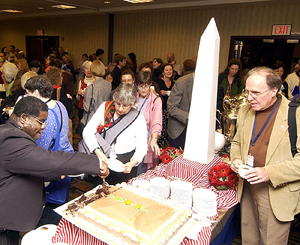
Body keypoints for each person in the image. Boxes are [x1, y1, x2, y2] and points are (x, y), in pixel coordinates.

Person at [0, 96, 109, 245]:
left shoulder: (8, 131)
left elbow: (24, 168)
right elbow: (50, 160)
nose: (43, 128)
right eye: (41, 122)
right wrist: (96, 163)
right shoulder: (11, 139)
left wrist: (55, 173)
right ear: (24, 118)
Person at [230, 66, 300, 245]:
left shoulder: (295, 114)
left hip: (276, 192)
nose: (249, 98)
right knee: (249, 240)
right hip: (247, 189)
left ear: (274, 91)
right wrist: (236, 159)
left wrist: (269, 173)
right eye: (247, 91)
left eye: (255, 93)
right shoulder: (245, 111)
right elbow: (237, 143)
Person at [25, 75, 73, 225]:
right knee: (59, 209)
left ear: (37, 93)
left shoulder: (44, 115)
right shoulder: (59, 105)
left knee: (47, 216)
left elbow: (41, 148)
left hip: (52, 168)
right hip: (65, 160)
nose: (26, 96)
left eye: (28, 93)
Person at [83, 83, 147, 185]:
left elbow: (142, 147)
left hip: (124, 161)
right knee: (99, 190)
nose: (120, 109)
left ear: (132, 104)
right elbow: (88, 131)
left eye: (125, 106)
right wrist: (97, 151)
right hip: (102, 155)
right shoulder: (105, 108)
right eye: (118, 104)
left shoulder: (138, 118)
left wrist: (132, 163)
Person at [135, 71, 162, 175]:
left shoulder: (155, 100)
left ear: (150, 85)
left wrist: (154, 138)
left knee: (141, 171)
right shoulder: (134, 97)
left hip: (146, 139)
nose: (143, 90)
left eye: (146, 86)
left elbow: (156, 121)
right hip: (132, 137)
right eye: (140, 86)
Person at [167, 72, 194, 150]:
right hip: (179, 129)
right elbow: (171, 107)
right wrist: (190, 116)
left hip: (194, 130)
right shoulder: (182, 82)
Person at [81, 60, 111, 126]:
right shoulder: (109, 85)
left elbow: (87, 107)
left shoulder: (90, 88)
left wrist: (84, 96)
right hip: (103, 118)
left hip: (92, 119)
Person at [153, 63, 175, 148]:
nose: (169, 71)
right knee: (161, 129)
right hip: (160, 109)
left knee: (168, 131)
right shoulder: (158, 81)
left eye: (170, 70)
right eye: (166, 70)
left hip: (170, 110)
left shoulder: (174, 83)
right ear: (163, 72)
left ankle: (166, 147)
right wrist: (160, 92)